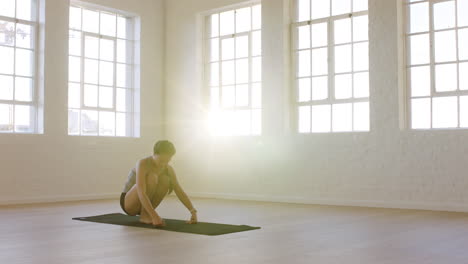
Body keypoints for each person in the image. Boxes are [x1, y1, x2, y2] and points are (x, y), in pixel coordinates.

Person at [120, 140, 198, 226]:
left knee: (165, 180)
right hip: (129, 204)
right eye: (161, 160)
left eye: (167, 161)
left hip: (144, 205)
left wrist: (192, 211)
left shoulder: (168, 169)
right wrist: (154, 216)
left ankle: (147, 214)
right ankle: (145, 215)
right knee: (152, 177)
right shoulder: (143, 163)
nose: (163, 164)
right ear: (154, 154)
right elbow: (141, 192)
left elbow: (179, 190)